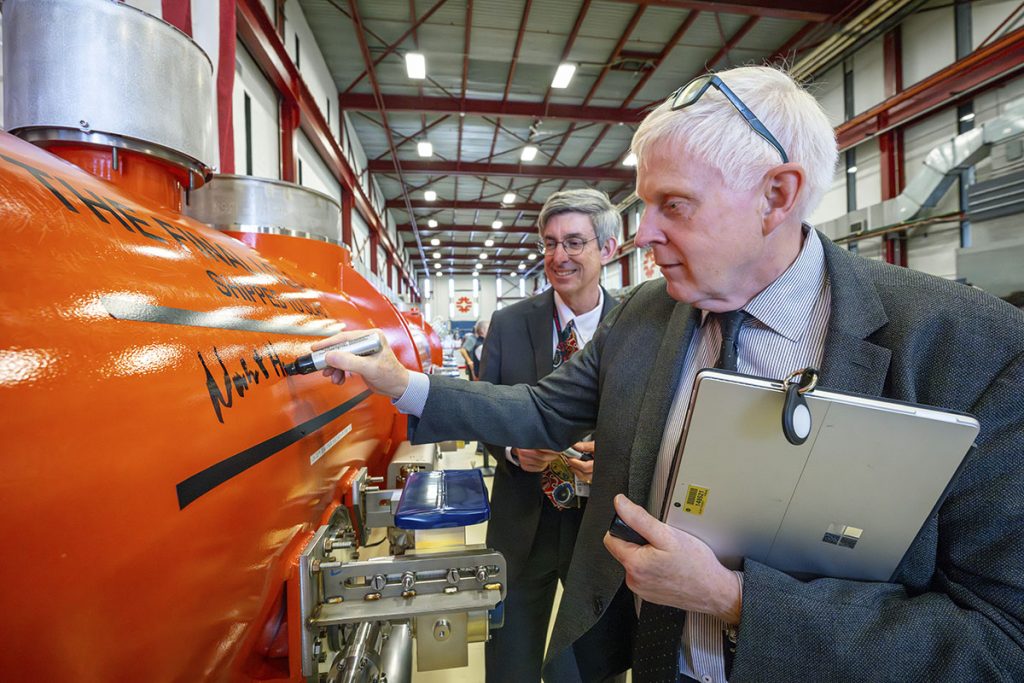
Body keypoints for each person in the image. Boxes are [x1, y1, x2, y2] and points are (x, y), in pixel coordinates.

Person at [314, 65, 1024, 682]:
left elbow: (1000, 640)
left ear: (778, 195)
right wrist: (399, 382)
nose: (643, 233)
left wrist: (734, 599)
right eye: (644, 203)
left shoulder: (964, 348)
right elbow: (539, 409)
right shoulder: (649, 317)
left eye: (672, 205)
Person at [478, 189, 619, 683]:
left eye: (575, 242)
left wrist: (614, 462)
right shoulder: (510, 324)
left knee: (584, 666)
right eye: (551, 243)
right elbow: (486, 411)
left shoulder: (635, 326)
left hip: (601, 529)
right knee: (510, 661)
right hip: (522, 523)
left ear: (609, 248)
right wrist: (514, 450)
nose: (559, 257)